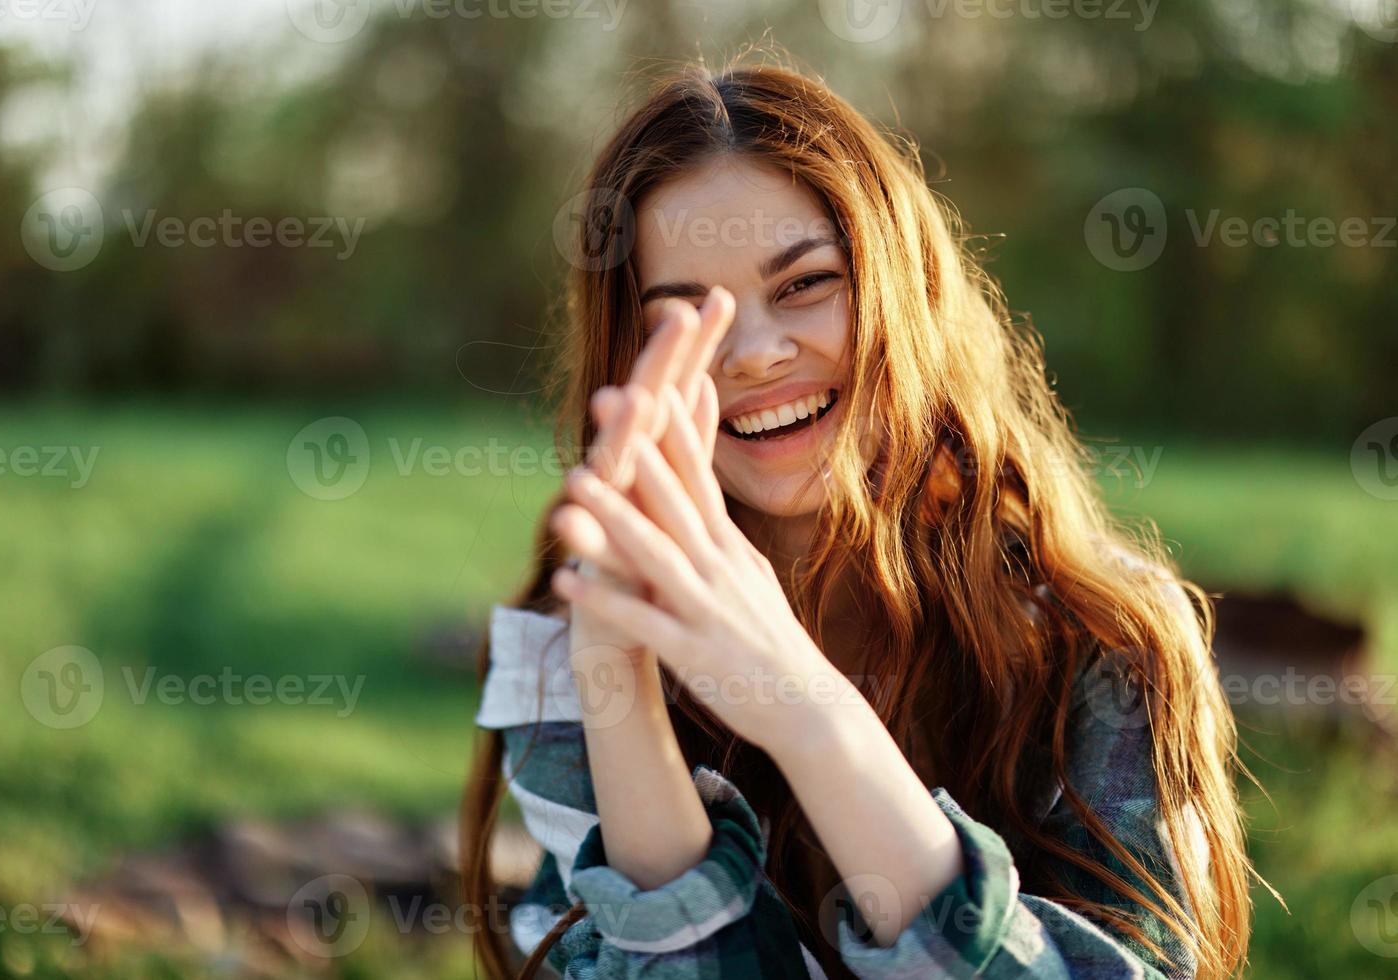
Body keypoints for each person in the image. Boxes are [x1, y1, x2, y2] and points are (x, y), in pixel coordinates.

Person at [460, 56, 1257, 980]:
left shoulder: (1099, 639)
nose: (756, 355)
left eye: (804, 284)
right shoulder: (569, 663)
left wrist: (806, 709)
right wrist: (617, 680)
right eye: (689, 320)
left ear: (903, 290)